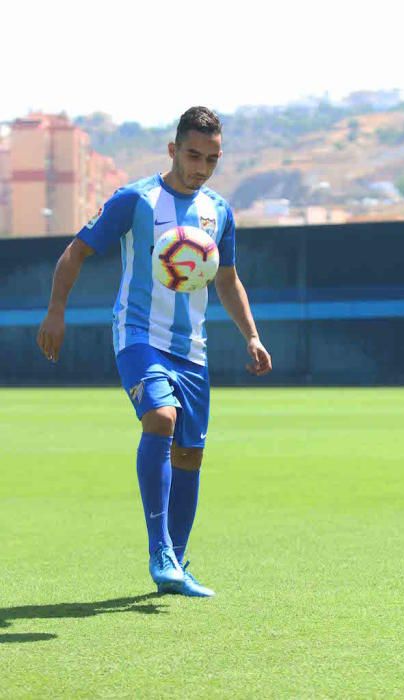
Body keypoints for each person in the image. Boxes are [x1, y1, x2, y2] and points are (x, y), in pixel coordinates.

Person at [37, 106, 272, 598]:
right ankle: (159, 550)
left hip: (193, 350)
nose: (201, 167)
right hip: (139, 336)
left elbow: (227, 280)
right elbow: (76, 251)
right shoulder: (136, 200)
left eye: (212, 158)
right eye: (193, 155)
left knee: (190, 454)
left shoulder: (219, 211)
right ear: (172, 149)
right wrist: (56, 311)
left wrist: (250, 335)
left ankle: (177, 563)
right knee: (160, 419)